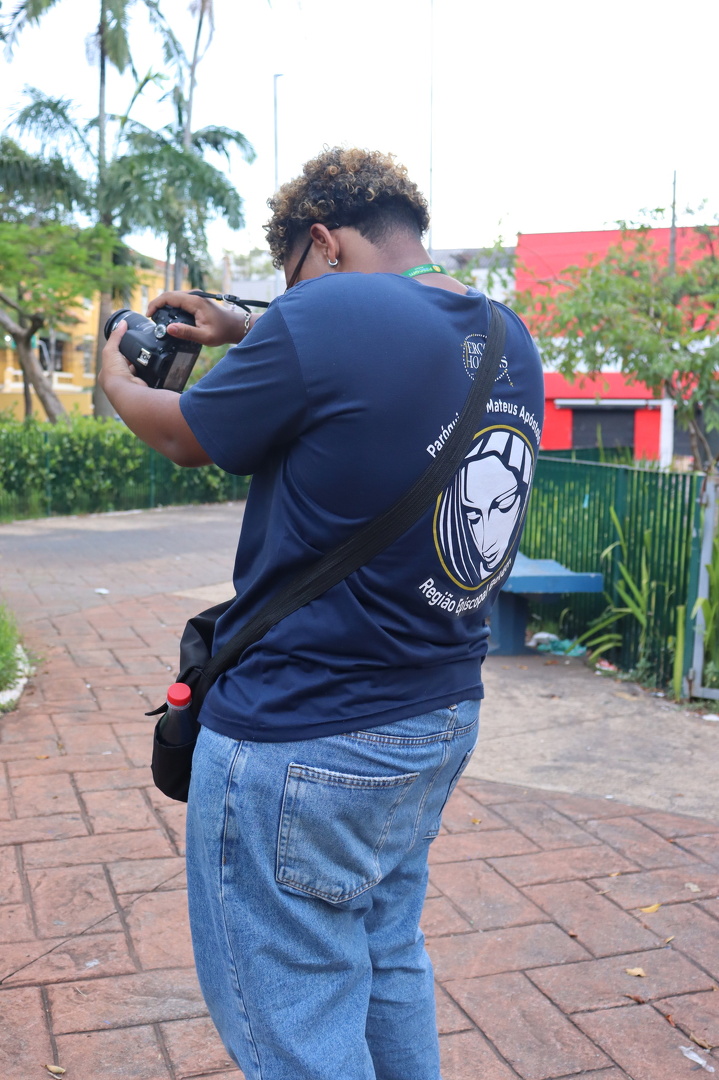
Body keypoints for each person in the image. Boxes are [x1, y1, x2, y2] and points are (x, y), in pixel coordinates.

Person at [100, 147, 544, 1080]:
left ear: (323, 242)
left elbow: (184, 436)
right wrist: (249, 322)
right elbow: (379, 344)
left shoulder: (329, 314)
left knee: (297, 1025)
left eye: (292, 277)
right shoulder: (508, 336)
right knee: (385, 954)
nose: (288, 301)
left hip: (305, 732)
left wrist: (120, 380)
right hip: (435, 716)